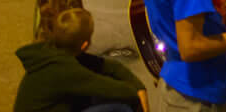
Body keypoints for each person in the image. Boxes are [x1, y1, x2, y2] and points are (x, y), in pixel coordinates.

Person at [13, 7, 147, 112]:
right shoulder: (65, 70)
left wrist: (138, 86)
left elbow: (108, 66)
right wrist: (138, 93)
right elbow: (117, 90)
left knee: (93, 99)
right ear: (84, 45)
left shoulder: (53, 51)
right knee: (120, 109)